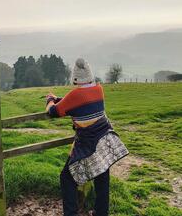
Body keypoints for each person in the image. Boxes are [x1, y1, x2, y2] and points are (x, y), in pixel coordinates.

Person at [45, 58, 129, 216]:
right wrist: (62, 100)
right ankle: (101, 213)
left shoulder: (75, 95)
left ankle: (70, 213)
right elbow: (81, 100)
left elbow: (53, 111)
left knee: (66, 178)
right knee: (102, 174)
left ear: (75, 78)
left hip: (88, 143)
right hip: (104, 139)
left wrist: (50, 100)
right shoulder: (98, 89)